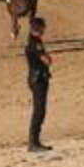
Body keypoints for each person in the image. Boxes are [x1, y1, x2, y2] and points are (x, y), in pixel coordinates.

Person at [25, 17, 53, 152]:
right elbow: (46, 60)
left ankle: (35, 141)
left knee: (39, 109)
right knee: (39, 110)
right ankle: (33, 142)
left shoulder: (32, 41)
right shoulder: (36, 43)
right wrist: (48, 58)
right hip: (38, 79)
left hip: (35, 78)